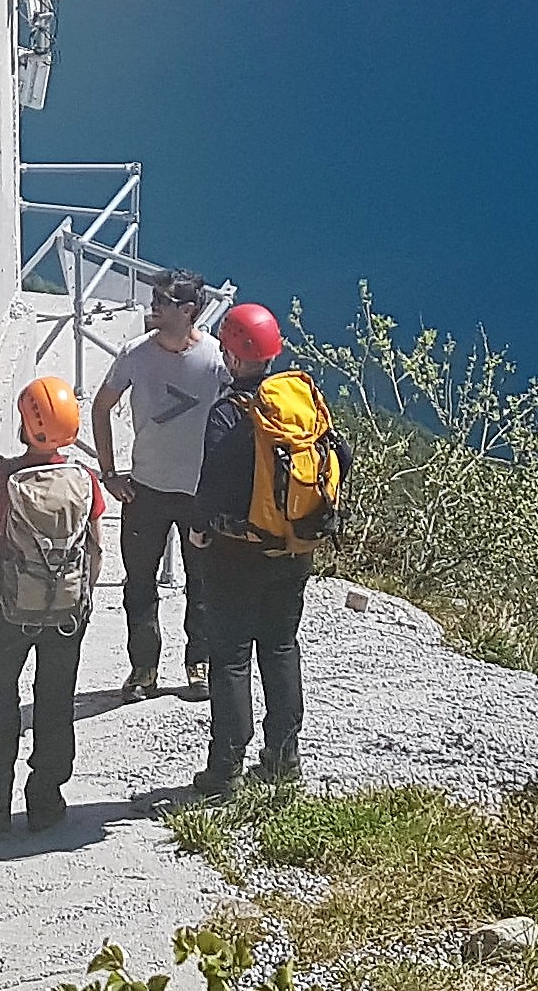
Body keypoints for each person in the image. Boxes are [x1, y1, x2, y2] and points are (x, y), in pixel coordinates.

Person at [185, 301, 324, 795]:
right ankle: (284, 757)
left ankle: (225, 771)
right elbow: (340, 458)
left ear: (233, 355)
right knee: (282, 647)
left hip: (236, 554)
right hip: (293, 551)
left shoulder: (230, 414)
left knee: (231, 658)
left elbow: (211, 485)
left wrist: (199, 531)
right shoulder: (297, 405)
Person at [0, 374, 104, 833]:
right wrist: (80, 598)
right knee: (55, 701)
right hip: (66, 614)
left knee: (0, 701)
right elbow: (97, 550)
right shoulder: (84, 481)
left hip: (7, 609)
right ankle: (45, 802)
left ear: (26, 424)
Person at [91, 269, 226, 702]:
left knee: (202, 580)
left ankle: (198, 663)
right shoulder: (135, 354)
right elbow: (101, 406)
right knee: (139, 582)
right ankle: (143, 668)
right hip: (144, 489)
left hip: (198, 492)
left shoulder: (217, 359)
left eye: (163, 301)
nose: (153, 306)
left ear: (188, 310)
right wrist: (108, 473)